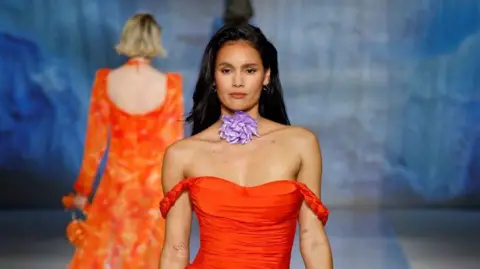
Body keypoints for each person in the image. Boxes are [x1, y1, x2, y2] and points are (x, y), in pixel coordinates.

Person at [159, 24, 332, 268]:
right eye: (226, 70)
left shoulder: (300, 144)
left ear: (266, 75)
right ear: (213, 77)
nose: (238, 81)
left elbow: (312, 238)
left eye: (249, 70)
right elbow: (176, 249)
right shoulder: (182, 154)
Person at [63, 13, 184, 268]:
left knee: (112, 259)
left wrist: (82, 191)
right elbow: (175, 147)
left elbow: (95, 146)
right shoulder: (171, 85)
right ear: (155, 39)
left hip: (115, 189)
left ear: (126, 37)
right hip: (154, 193)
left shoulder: (105, 81)